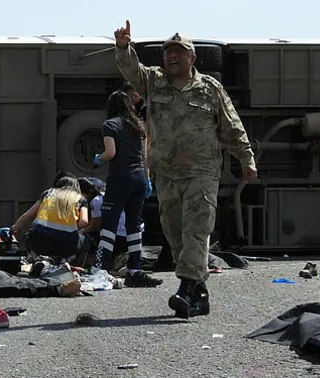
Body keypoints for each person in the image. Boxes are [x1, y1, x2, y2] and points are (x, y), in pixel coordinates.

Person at [112, 20, 258, 317]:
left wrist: (246, 158)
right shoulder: (155, 81)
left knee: (196, 229)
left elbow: (231, 125)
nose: (172, 57)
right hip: (166, 172)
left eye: (179, 52)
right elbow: (132, 71)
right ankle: (199, 294)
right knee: (175, 231)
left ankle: (186, 289)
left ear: (193, 58)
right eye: (168, 53)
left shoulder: (210, 88)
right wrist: (124, 47)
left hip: (201, 171)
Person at [92, 91, 163, 288]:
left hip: (120, 179)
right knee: (134, 225)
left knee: (109, 225)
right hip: (139, 179)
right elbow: (144, 157)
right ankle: (135, 270)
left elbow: (111, 152)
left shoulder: (110, 125)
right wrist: (147, 180)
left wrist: (99, 158)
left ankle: (101, 268)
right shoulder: (138, 126)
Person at [10, 176, 91, 265]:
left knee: (28, 236)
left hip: (40, 241)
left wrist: (13, 229)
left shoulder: (48, 193)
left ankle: (38, 258)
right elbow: (84, 222)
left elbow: (27, 216)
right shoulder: (80, 199)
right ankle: (65, 261)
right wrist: (73, 230)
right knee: (85, 239)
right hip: (66, 245)